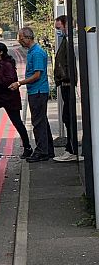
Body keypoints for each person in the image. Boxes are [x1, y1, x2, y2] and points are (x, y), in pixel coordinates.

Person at [9, 27, 54, 163]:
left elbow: (37, 75)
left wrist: (20, 83)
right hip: (36, 91)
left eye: (21, 38)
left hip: (38, 91)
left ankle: (41, 152)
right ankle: (48, 150)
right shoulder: (33, 51)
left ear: (27, 38)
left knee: (38, 123)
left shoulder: (37, 53)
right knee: (42, 122)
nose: (20, 41)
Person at [0, 42, 32, 158]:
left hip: (9, 97)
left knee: (17, 122)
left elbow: (9, 80)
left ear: (0, 52)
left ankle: (27, 147)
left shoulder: (7, 64)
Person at [53, 15, 77, 161]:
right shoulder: (66, 41)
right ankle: (70, 148)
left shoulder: (69, 42)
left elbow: (68, 65)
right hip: (65, 84)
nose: (57, 31)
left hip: (67, 84)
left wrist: (63, 79)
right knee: (66, 116)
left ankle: (72, 150)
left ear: (66, 25)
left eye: (58, 28)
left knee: (68, 117)